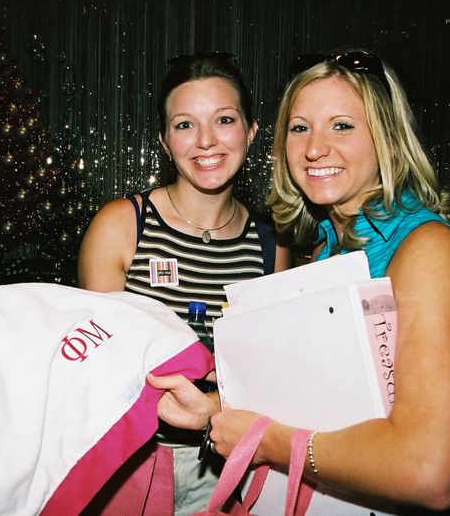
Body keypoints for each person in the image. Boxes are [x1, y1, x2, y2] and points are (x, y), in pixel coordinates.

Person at [147, 47, 450, 512]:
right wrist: (216, 407)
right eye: (299, 128)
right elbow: (324, 399)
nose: (314, 148)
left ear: (386, 137)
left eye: (341, 125)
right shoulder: (327, 249)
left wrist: (265, 443)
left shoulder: (426, 249)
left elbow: (429, 472)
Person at [78, 52, 291, 514]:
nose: (206, 141)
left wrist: (216, 406)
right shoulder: (122, 226)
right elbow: (93, 369)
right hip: (131, 463)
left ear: (251, 131)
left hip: (234, 463)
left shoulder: (271, 244)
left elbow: (274, 373)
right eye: (184, 125)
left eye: (224, 120)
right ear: (163, 139)